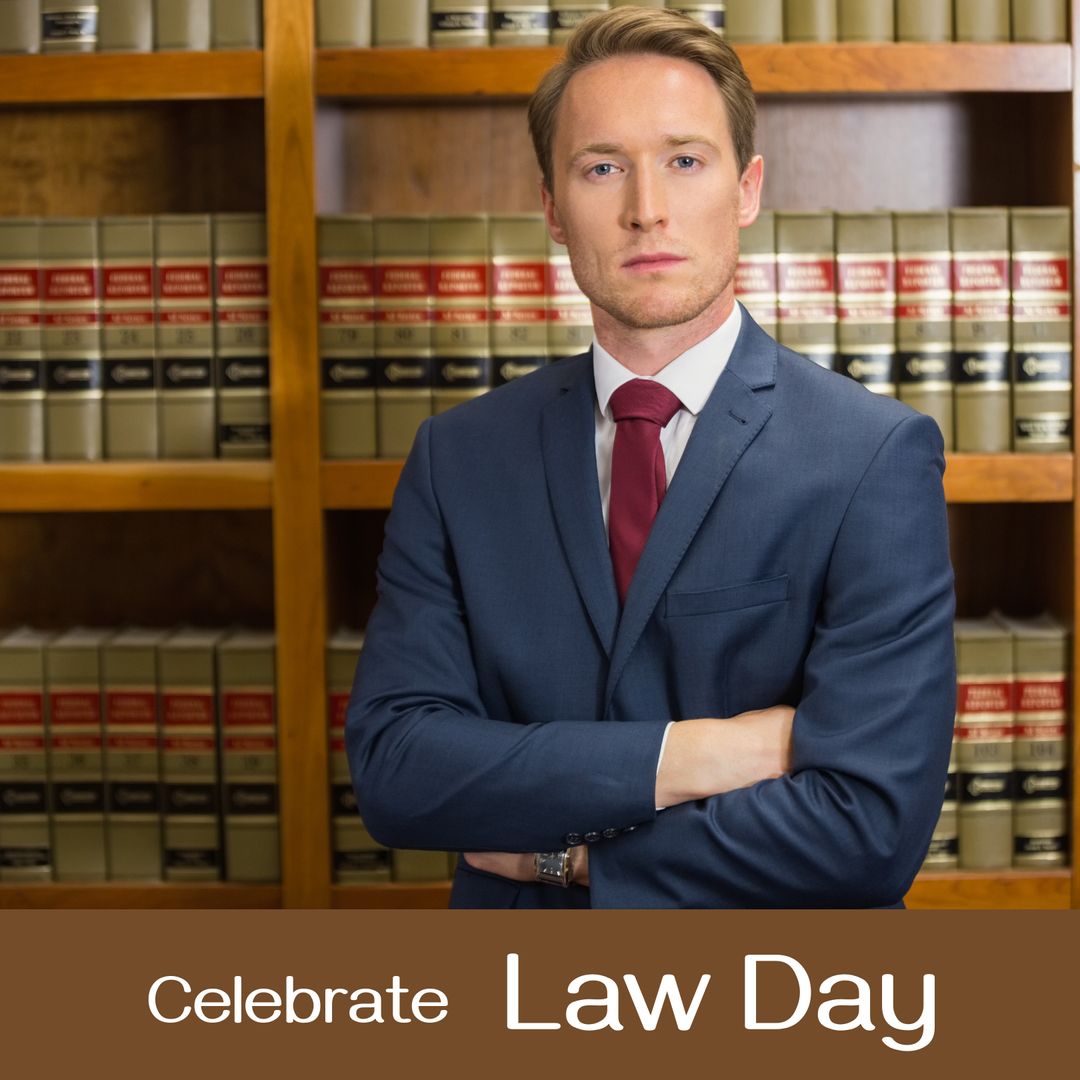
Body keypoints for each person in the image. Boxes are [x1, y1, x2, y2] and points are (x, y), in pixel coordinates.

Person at [345, 8, 956, 908]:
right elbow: (399, 774)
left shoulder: (872, 457)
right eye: (602, 168)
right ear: (553, 208)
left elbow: (869, 829)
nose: (646, 210)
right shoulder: (457, 459)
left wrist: (575, 861)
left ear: (746, 189)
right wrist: (710, 753)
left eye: (684, 160)